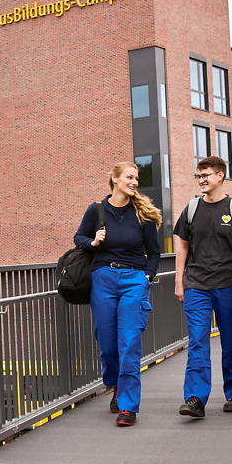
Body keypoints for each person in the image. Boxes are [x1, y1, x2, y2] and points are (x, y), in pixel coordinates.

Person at [74, 160, 163, 427]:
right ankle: (114, 384)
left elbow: (154, 252)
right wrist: (93, 241)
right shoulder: (96, 210)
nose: (134, 182)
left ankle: (128, 406)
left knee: (130, 342)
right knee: (107, 341)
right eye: (129, 177)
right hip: (102, 279)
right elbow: (78, 238)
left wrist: (147, 277)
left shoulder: (143, 214)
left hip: (134, 280)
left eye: (136, 178)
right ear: (114, 179)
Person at [173, 156, 232, 417]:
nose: (201, 180)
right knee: (197, 342)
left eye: (206, 175)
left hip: (229, 285)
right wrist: (179, 281)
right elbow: (182, 245)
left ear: (220, 176)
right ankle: (195, 398)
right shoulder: (192, 208)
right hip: (196, 285)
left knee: (231, 341)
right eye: (199, 175)